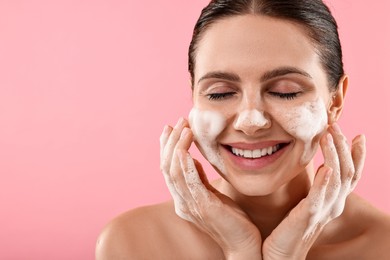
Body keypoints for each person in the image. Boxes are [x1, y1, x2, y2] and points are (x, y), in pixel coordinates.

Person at [95, 0, 390, 259]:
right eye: (220, 93)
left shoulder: (382, 246)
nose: (251, 122)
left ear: (335, 100)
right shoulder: (132, 245)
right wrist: (240, 250)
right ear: (194, 96)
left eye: (285, 91)